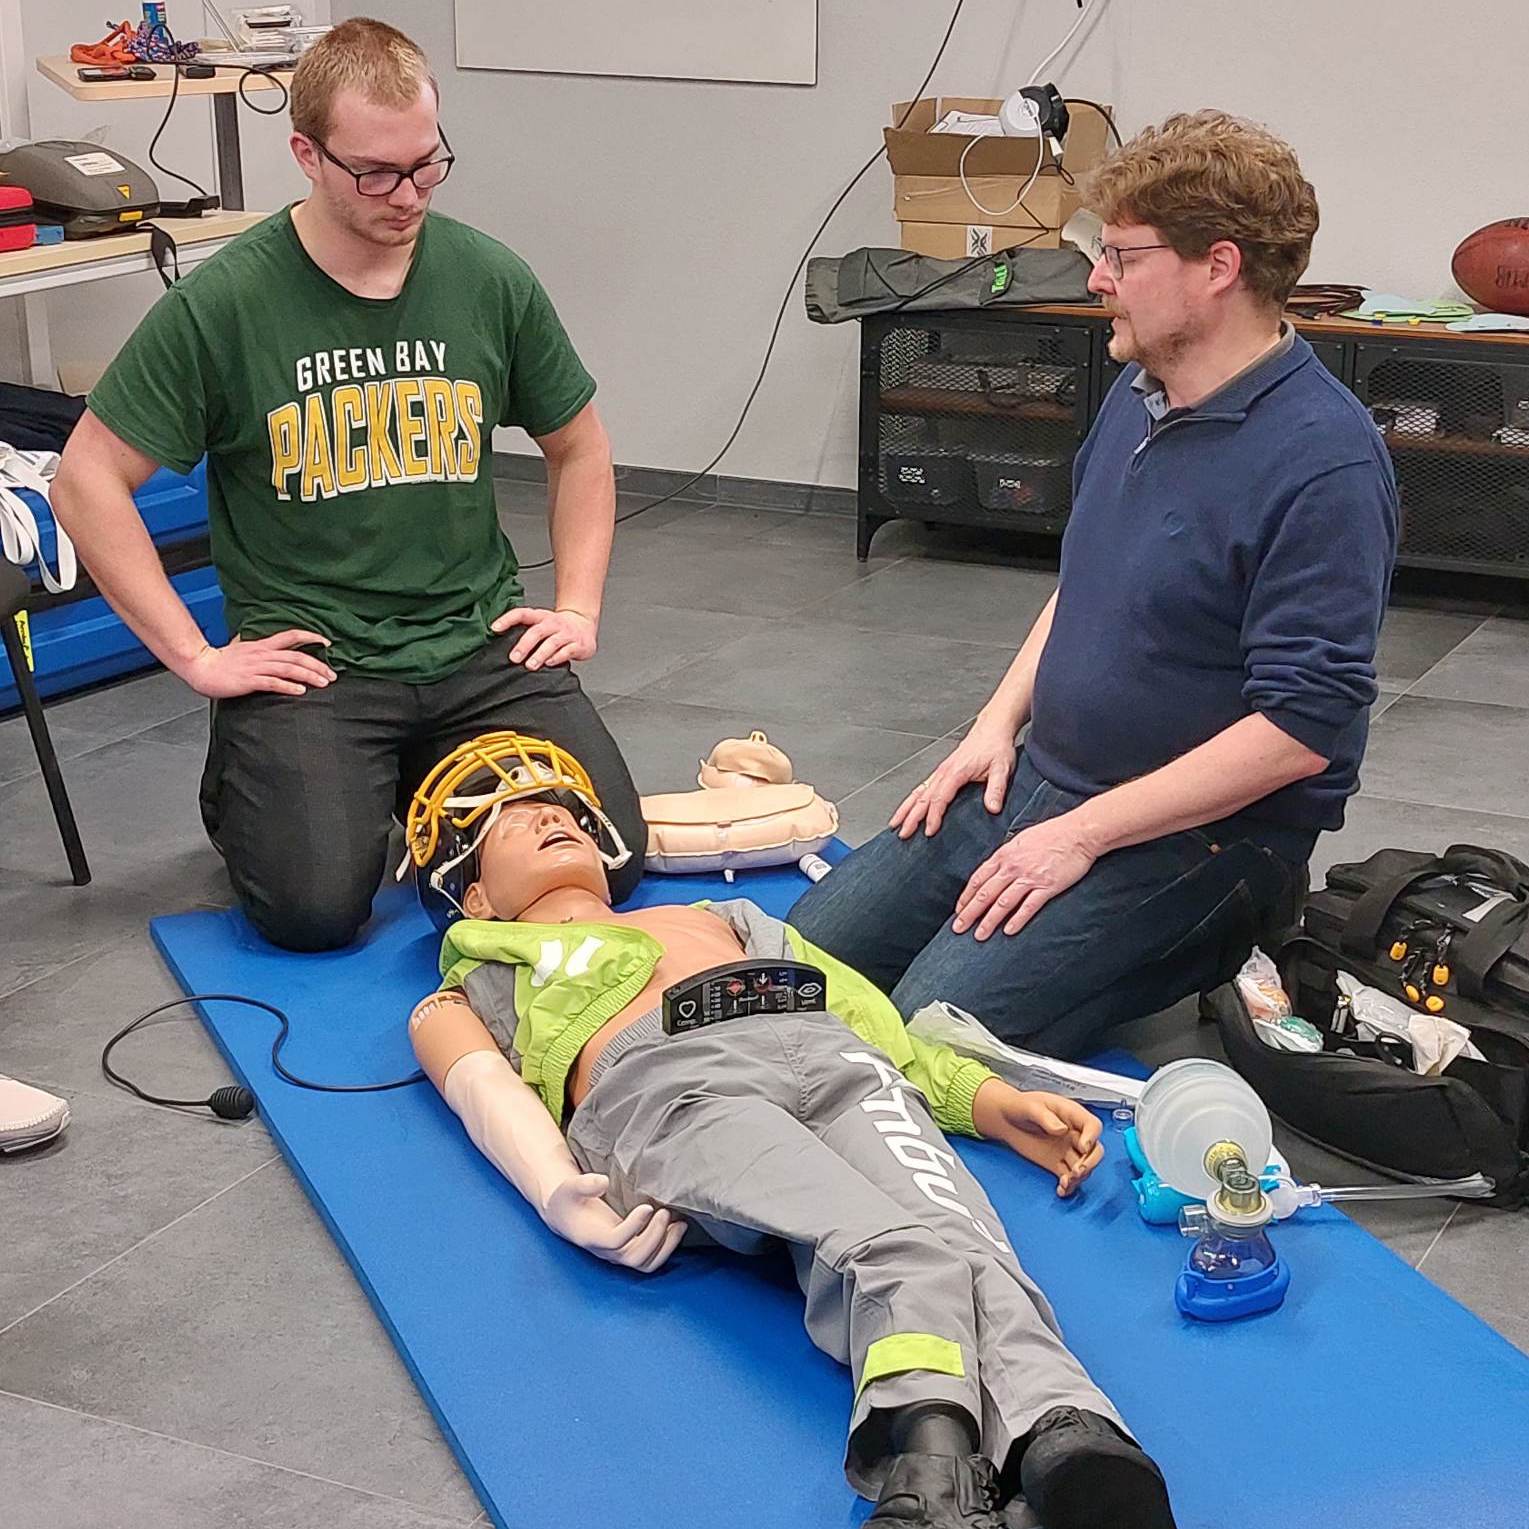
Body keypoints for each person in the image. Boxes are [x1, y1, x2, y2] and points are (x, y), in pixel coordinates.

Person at [403, 733, 1178, 1529]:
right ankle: (930, 1460)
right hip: (675, 1088)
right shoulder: (483, 974)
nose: (548, 817)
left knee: (965, 1239)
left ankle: (1063, 1432)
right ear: (476, 899)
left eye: (558, 807)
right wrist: (555, 1189)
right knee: (894, 1247)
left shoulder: (726, 917)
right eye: (512, 819)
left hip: (832, 1054)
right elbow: (480, 1085)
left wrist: (979, 1096)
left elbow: (870, 1018)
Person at [790, 110, 1398, 1059]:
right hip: (1043, 777)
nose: (1095, 278)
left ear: (1218, 267)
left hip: (1202, 842)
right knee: (795, 966)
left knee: (927, 1038)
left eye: (1119, 254)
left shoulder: (1325, 464)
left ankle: (1200, 950)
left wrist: (1082, 834)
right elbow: (1087, 581)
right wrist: (990, 730)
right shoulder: (1139, 385)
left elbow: (1301, 731)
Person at [49, 18, 642, 951]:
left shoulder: (487, 278)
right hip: (318, 659)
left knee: (610, 855)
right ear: (305, 155)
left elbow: (581, 446)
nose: (406, 195)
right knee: (313, 910)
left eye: (426, 164)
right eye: (374, 172)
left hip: (473, 644)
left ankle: (410, 770)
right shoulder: (228, 302)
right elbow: (85, 481)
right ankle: (255, 772)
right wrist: (198, 659)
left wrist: (577, 604)